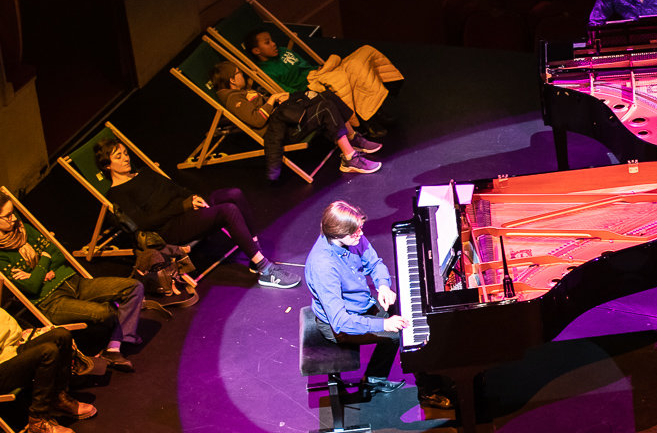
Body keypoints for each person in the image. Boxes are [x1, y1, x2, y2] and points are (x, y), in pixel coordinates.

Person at [97, 137, 300, 290]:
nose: (126, 158)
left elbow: (175, 189)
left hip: (186, 211)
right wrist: (183, 206)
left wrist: (193, 198)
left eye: (125, 153)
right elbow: (144, 223)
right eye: (118, 156)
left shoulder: (144, 172)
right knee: (228, 211)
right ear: (107, 165)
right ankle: (265, 270)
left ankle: (254, 252)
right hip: (170, 228)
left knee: (234, 194)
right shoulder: (116, 194)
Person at [306, 200, 449, 410]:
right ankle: (428, 391)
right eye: (355, 232)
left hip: (362, 304)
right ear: (337, 234)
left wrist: (382, 285)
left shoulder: (351, 238)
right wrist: (384, 325)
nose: (361, 234)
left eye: (360, 229)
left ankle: (374, 377)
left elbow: (374, 263)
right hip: (341, 324)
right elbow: (341, 321)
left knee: (408, 308)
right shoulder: (324, 266)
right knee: (402, 333)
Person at [0, 196, 144, 370]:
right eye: (7, 216)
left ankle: (114, 346)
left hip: (74, 282)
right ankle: (118, 337)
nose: (14, 218)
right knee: (105, 312)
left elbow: (58, 254)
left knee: (134, 287)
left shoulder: (24, 229)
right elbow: (31, 286)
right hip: (51, 301)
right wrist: (45, 259)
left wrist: (36, 271)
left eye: (13, 213)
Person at [210, 61, 381, 178]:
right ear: (232, 80)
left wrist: (281, 99)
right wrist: (271, 100)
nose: (242, 75)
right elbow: (257, 120)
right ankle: (350, 159)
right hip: (285, 132)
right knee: (326, 107)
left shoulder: (239, 92)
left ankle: (352, 138)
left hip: (288, 121)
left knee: (327, 96)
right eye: (239, 73)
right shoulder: (233, 99)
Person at [243, 29, 400, 133]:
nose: (273, 43)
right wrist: (308, 89)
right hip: (310, 87)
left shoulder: (283, 51)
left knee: (363, 56)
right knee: (342, 80)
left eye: (271, 40)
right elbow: (287, 92)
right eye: (267, 42)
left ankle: (375, 107)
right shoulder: (266, 71)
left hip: (318, 73)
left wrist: (321, 69)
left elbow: (307, 66)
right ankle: (367, 120)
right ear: (257, 51)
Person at [0, 306, 96, 433]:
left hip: (9, 351)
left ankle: (58, 398)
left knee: (62, 335)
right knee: (48, 351)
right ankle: (38, 420)